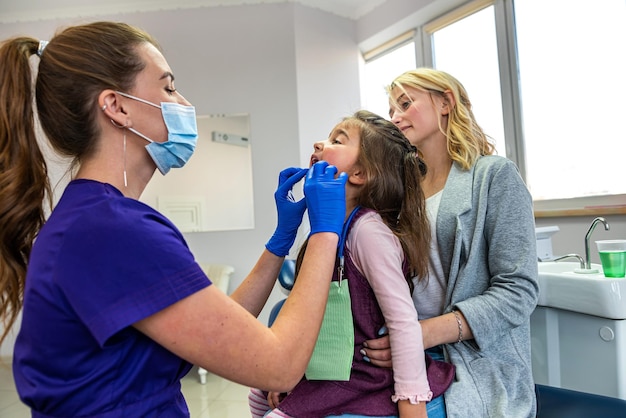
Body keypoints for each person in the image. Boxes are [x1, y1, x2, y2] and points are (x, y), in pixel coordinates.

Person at [0, 21, 349, 417]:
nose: (183, 103)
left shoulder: (94, 219)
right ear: (117, 106)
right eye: (168, 87)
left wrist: (280, 240)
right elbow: (279, 366)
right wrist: (325, 233)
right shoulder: (112, 230)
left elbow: (220, 328)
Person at [248, 110, 455, 418]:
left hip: (362, 377)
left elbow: (403, 322)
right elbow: (312, 313)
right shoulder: (326, 228)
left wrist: (413, 407)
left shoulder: (368, 232)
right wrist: (290, 370)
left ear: (359, 173)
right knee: (257, 393)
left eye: (336, 140)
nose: (318, 144)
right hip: (327, 366)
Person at [360, 68, 540, 417]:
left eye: (405, 103)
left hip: (467, 358)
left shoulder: (494, 176)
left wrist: (420, 336)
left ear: (446, 101)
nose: (395, 118)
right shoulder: (401, 191)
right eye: (391, 110)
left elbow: (518, 292)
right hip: (400, 346)